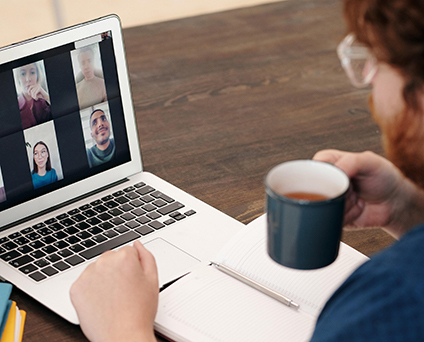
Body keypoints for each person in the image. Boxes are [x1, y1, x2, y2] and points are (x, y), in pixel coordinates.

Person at [70, 0, 424, 340]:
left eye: (378, 60)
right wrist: (409, 208)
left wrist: (122, 330)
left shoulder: (390, 301)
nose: (368, 76)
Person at [15, 62, 52, 130]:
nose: (28, 79)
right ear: (18, 78)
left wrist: (47, 97)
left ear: (37, 76)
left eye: (32, 73)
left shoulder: (44, 100)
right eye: (23, 74)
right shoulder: (15, 106)